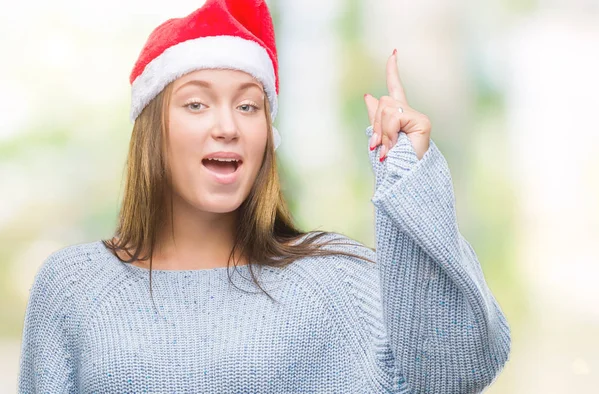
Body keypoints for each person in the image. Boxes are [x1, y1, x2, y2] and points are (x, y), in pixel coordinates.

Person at [17, 0, 511, 393]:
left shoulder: (333, 282)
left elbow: (453, 373)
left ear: (265, 137)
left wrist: (407, 178)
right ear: (153, 132)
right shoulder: (75, 287)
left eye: (249, 106)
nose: (228, 126)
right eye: (196, 103)